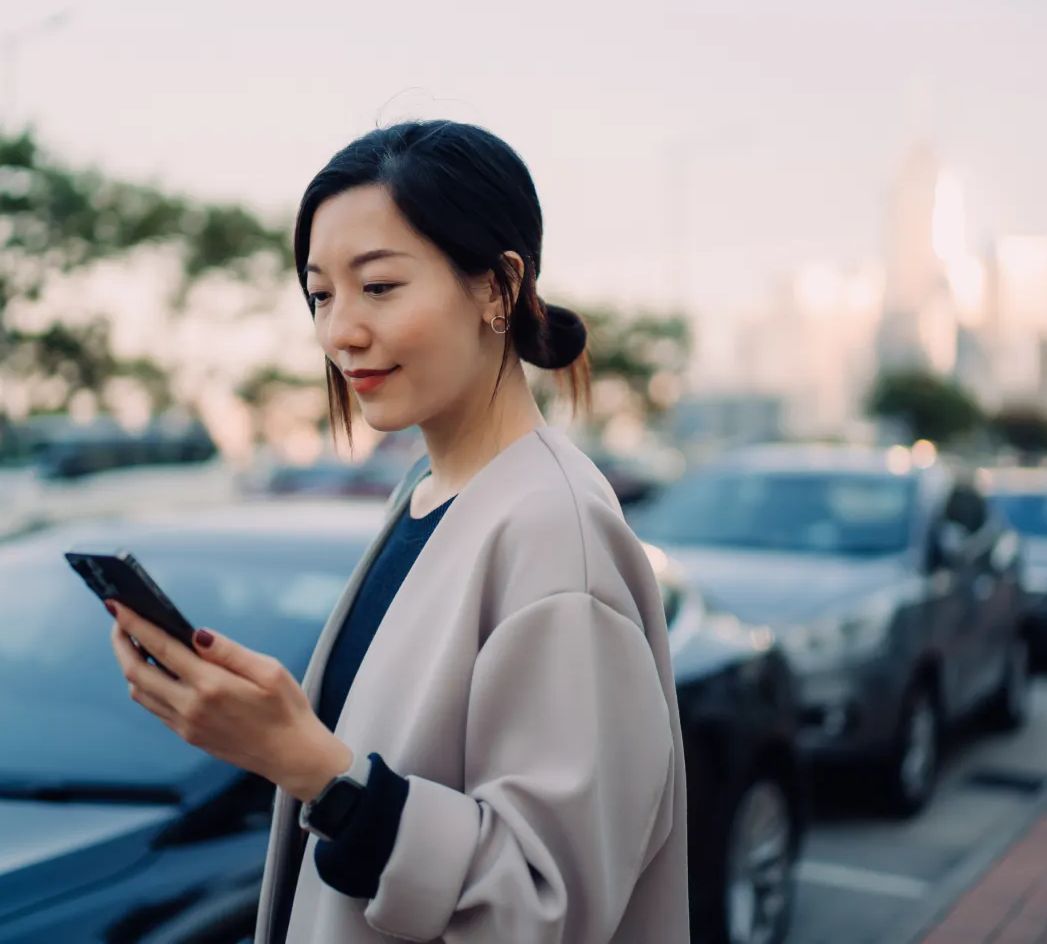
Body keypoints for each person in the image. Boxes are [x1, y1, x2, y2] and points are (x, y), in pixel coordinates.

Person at [107, 120, 689, 943]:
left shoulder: (558, 535)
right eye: (320, 294)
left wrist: (312, 768)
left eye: (378, 287)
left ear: (497, 287)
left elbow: (542, 908)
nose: (339, 331)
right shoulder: (429, 491)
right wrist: (270, 735)